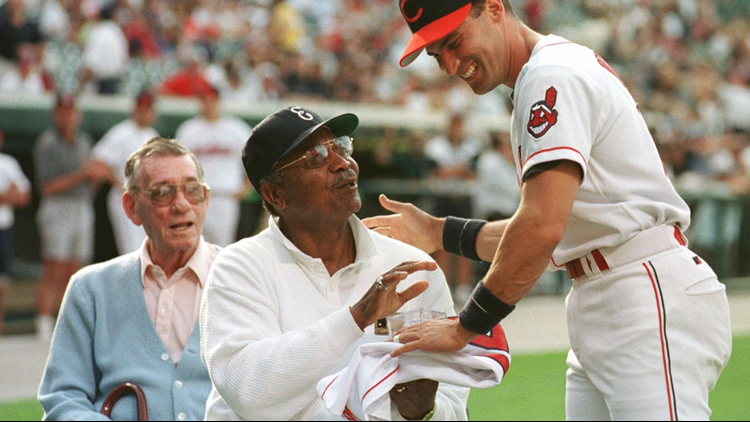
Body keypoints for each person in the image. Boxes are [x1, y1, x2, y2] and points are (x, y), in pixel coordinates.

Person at [363, 0, 732, 420]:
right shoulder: (541, 74)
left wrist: (465, 326)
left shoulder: (548, 74)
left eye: (453, 41)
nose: (448, 64)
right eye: (436, 54)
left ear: (494, 9)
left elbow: (541, 229)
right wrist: (438, 232)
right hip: (612, 293)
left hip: (643, 291)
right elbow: (541, 225)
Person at [200, 106, 472, 420]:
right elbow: (248, 392)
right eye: (315, 156)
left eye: (340, 146)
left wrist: (425, 413)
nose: (343, 163)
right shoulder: (239, 268)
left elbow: (454, 404)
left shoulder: (413, 270)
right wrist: (355, 319)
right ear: (275, 194)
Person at [38, 137, 216, 421]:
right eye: (163, 192)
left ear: (205, 200)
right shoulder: (91, 289)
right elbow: (63, 399)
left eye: (192, 190)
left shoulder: (240, 278)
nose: (181, 204)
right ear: (131, 208)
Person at [33, 95, 102, 341]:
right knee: (55, 265)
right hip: (57, 207)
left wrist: (92, 178)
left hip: (82, 206)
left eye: (71, 111)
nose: (67, 116)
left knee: (77, 266)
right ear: (55, 114)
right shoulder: (47, 143)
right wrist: (82, 175)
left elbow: (90, 179)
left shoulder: (84, 141)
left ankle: (67, 322)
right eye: (62, 111)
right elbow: (46, 187)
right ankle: (43, 321)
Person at [175, 86, 252, 246]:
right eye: (203, 100)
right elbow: (177, 164)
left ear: (218, 101)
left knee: (221, 247)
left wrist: (247, 187)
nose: (207, 104)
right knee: (190, 245)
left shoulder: (236, 128)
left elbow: (254, 160)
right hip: (195, 197)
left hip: (225, 196)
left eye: (211, 100)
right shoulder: (188, 129)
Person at [90, 92, 159, 255]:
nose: (145, 113)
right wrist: (122, 185)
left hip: (148, 200)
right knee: (132, 251)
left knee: (149, 249)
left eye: (148, 109)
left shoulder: (153, 134)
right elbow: (97, 163)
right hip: (126, 199)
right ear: (135, 110)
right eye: (142, 109)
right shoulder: (121, 132)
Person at [424, 113, 480, 305]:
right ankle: (444, 286)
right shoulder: (435, 146)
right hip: (443, 198)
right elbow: (436, 173)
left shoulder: (473, 146)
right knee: (442, 245)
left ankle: (464, 288)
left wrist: (450, 171)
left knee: (467, 245)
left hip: (464, 198)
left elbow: (472, 174)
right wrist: (459, 171)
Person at [0, 128, 32, 336]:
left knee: (2, 280)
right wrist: (6, 193)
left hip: (3, 229)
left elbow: (23, 196)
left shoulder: (8, 163)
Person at [80, 5, 128, 95]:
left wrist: (80, 86)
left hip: (101, 85)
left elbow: (91, 63)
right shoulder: (118, 32)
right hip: (117, 83)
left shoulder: (98, 31)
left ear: (100, 17)